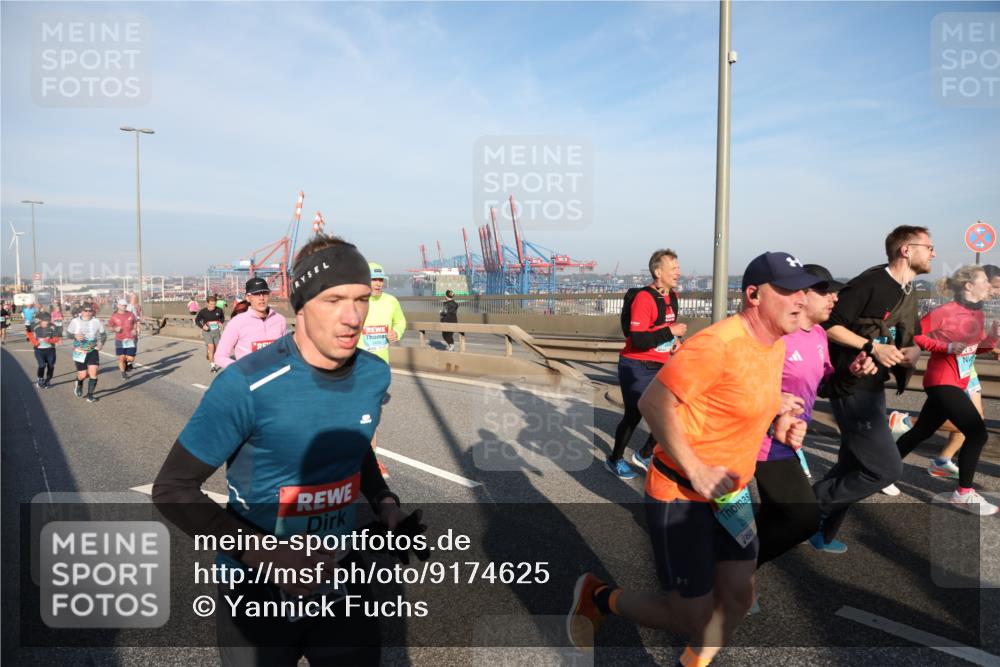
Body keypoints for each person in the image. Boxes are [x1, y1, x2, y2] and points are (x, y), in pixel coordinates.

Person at [153, 234, 420, 666]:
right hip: (256, 588)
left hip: (341, 579)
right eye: (333, 300)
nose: (353, 316)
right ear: (301, 305)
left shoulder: (373, 374)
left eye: (360, 299)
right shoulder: (246, 384)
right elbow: (172, 489)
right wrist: (266, 553)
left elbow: (354, 445)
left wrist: (385, 503)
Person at [568, 251, 819, 665]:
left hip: (732, 495)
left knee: (738, 598)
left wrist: (778, 420)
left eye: (803, 291)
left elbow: (739, 397)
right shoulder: (716, 345)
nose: (801, 300)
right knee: (690, 615)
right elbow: (653, 403)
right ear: (754, 295)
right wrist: (696, 468)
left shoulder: (774, 344)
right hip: (682, 491)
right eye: (789, 291)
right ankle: (599, 597)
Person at [811, 226, 933, 552]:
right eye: (928, 247)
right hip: (852, 386)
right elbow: (828, 324)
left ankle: (820, 533)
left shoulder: (909, 289)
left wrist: (912, 353)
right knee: (886, 469)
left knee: (851, 465)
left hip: (874, 386)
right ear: (906, 250)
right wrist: (872, 347)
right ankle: (805, 505)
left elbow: (912, 335)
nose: (933, 253)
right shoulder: (871, 282)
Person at [754, 265, 876, 569]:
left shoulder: (819, 335)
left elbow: (824, 386)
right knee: (804, 519)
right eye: (825, 292)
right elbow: (743, 384)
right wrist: (773, 407)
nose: (834, 298)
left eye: (835, 292)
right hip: (762, 442)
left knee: (773, 515)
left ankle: (735, 576)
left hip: (790, 441)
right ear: (801, 296)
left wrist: (852, 372)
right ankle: (730, 573)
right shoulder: (778, 335)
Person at [894, 266, 998, 515]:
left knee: (922, 431)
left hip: (957, 382)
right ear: (969, 286)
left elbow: (973, 349)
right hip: (942, 381)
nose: (991, 286)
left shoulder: (978, 313)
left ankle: (880, 470)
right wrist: (946, 347)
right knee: (977, 433)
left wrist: (992, 339)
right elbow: (914, 335)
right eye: (985, 281)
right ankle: (963, 494)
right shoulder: (946, 311)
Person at [606, 249, 687, 479]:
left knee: (677, 409)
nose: (678, 272)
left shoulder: (672, 297)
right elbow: (639, 340)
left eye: (678, 267)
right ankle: (614, 459)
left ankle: (644, 454)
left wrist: (675, 341)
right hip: (636, 365)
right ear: (658, 272)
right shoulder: (644, 298)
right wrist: (670, 332)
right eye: (673, 268)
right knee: (634, 414)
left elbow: (663, 330)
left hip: (661, 364)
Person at [926, 264, 1000, 479]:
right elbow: (923, 333)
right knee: (974, 425)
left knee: (973, 423)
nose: (997, 292)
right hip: (953, 371)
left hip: (967, 369)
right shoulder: (956, 308)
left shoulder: (978, 308)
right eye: (995, 286)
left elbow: (975, 340)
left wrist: (993, 346)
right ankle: (905, 423)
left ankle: (942, 460)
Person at [357, 262, 406, 478]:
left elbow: (400, 321)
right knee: (358, 415)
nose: (378, 284)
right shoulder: (356, 302)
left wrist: (396, 332)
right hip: (357, 367)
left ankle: (372, 460)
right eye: (373, 279)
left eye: (380, 280)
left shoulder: (391, 301)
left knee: (372, 415)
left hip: (379, 368)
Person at [213, 277, 287, 369]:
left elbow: (285, 351)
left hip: (276, 375)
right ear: (248, 298)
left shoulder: (280, 319)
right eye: (256, 294)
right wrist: (241, 369)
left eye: (264, 293)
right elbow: (219, 357)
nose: (261, 298)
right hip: (249, 377)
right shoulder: (236, 322)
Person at [66, 302, 107, 403]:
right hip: (79, 350)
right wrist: (75, 336)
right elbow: (68, 334)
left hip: (93, 350)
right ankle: (79, 383)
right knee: (83, 375)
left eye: (90, 311)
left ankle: (90, 395)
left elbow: (103, 335)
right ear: (81, 311)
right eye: (86, 311)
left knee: (93, 373)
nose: (88, 313)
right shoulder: (75, 321)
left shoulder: (97, 321)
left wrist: (101, 343)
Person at [108, 298, 140, 380]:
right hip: (120, 340)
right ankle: (123, 373)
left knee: (131, 358)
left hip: (130, 339)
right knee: (121, 357)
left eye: (125, 305)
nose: (124, 307)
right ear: (118, 305)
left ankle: (127, 363)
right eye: (122, 305)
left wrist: (134, 329)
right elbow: (110, 327)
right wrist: (115, 329)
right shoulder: (114, 316)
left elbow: (135, 323)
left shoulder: (130, 314)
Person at [28, 311, 61, 388]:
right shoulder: (34, 326)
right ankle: (40, 379)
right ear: (40, 320)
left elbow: (57, 338)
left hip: (50, 350)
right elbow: (29, 334)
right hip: (39, 350)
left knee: (51, 366)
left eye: (48, 320)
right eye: (45, 320)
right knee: (42, 365)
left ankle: (48, 381)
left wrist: (49, 340)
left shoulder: (53, 326)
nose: (47, 322)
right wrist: (35, 342)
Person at [195, 295, 226, 373]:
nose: (213, 306)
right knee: (211, 347)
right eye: (211, 304)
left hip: (216, 331)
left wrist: (221, 322)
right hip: (207, 332)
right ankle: (213, 366)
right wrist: (203, 326)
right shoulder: (203, 311)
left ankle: (209, 353)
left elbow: (222, 318)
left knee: (217, 348)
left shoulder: (219, 310)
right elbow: (197, 320)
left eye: (214, 304)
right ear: (207, 303)